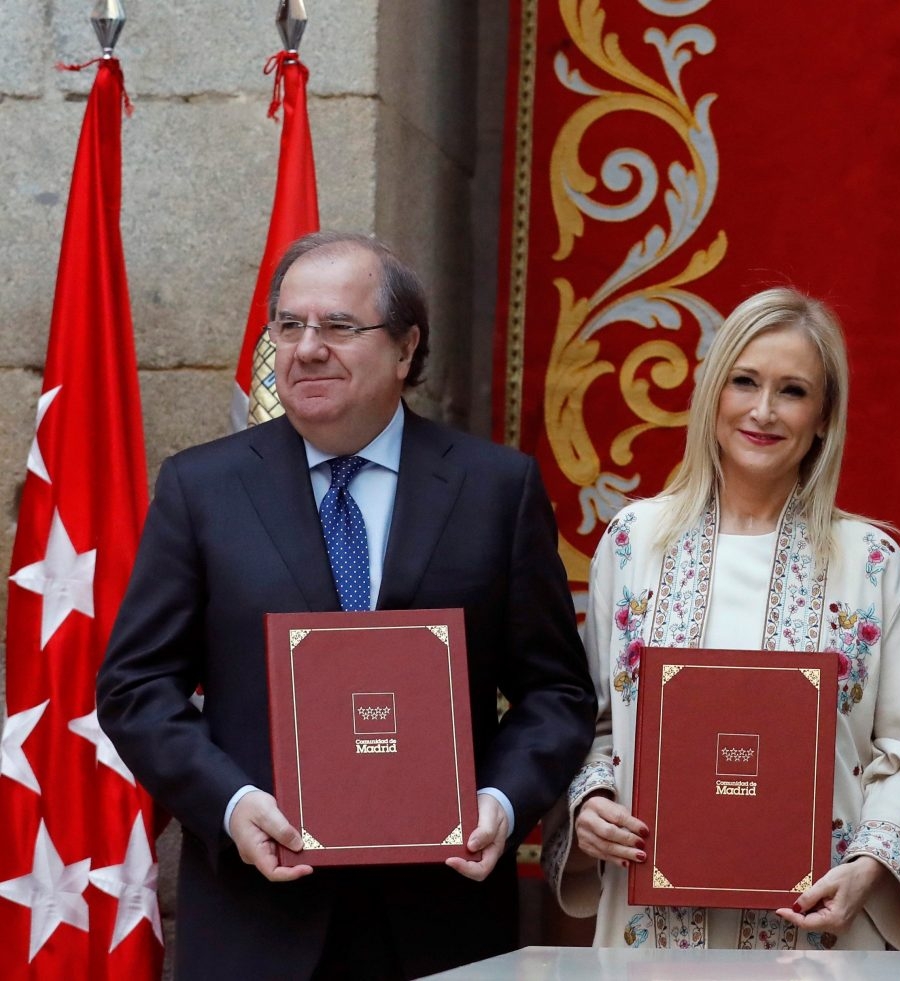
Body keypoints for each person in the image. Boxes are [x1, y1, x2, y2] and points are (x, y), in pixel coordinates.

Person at [96, 231, 596, 979]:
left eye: (338, 326)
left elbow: (555, 691)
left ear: (405, 347)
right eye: (289, 325)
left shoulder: (496, 490)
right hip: (259, 918)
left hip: (441, 919)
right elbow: (136, 688)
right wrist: (232, 806)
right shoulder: (203, 488)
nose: (306, 348)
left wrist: (499, 798)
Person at [541, 287, 900, 950]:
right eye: (745, 381)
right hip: (652, 940)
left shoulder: (871, 562)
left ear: (824, 416)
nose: (763, 411)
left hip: (820, 935)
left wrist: (867, 867)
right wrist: (591, 804)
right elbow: (589, 724)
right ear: (712, 394)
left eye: (793, 391)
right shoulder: (632, 543)